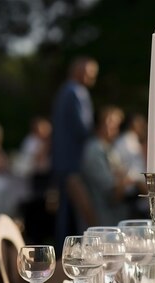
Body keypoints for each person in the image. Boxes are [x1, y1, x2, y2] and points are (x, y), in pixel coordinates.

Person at [51, 57, 98, 252]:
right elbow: (82, 128)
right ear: (78, 72)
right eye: (89, 73)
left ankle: (66, 254)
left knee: (67, 212)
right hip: (71, 163)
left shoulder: (68, 91)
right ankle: (66, 256)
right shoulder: (74, 92)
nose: (92, 77)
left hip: (65, 161)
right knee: (70, 213)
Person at [79, 106, 134, 227]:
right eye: (110, 122)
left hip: (112, 221)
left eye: (117, 124)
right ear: (99, 123)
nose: (114, 128)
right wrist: (132, 181)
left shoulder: (108, 148)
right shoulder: (94, 150)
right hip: (103, 224)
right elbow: (111, 192)